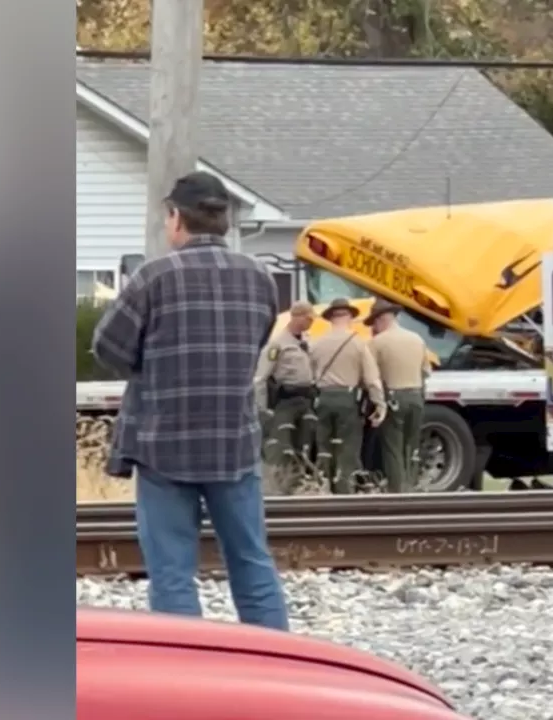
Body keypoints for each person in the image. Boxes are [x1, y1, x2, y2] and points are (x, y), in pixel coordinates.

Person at [92, 171, 290, 632]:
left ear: (176, 217)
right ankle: (274, 663)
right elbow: (259, 339)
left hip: (165, 442)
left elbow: (108, 348)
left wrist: (150, 366)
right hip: (233, 443)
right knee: (251, 562)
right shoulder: (261, 278)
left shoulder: (153, 277)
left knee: (172, 572)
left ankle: (185, 670)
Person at [307, 298, 386, 493]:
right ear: (349, 316)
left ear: (330, 318)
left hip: (323, 399)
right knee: (347, 449)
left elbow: (309, 375)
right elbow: (372, 379)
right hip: (347, 400)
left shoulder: (316, 344)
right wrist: (380, 405)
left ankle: (322, 488)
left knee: (324, 448)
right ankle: (344, 492)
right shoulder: (358, 344)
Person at [366, 298, 431, 493]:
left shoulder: (376, 343)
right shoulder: (417, 339)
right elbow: (426, 371)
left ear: (380, 320)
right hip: (416, 396)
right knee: (411, 447)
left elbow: (370, 375)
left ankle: (398, 492)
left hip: (393, 397)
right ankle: (411, 487)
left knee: (392, 448)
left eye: (374, 323)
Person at [254, 300, 318, 494]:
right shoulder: (278, 344)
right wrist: (262, 408)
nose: (310, 323)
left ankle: (299, 485)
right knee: (282, 445)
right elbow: (260, 377)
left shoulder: (305, 342)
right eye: (308, 319)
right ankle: (278, 486)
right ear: (297, 317)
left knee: (304, 445)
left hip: (305, 400)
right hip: (285, 401)